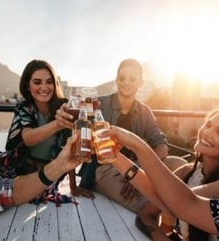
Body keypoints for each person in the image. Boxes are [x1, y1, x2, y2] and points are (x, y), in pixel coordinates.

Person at [0, 59, 93, 241]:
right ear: (28, 84)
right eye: (37, 82)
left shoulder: (65, 108)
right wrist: (56, 124)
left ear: (55, 83)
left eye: (49, 81)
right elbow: (27, 138)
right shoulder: (24, 107)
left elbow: (70, 149)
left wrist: (73, 185)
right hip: (11, 166)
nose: (44, 87)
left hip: (41, 176)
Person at [100, 105, 219, 241]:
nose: (208, 132)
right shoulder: (188, 171)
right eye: (208, 125)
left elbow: (176, 204)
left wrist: (136, 145)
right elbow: (147, 213)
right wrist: (113, 156)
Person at [79, 58, 186, 212]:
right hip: (104, 169)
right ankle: (173, 211)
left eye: (132, 78)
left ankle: (171, 203)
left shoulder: (144, 112)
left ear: (140, 83)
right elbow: (79, 132)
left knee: (179, 164)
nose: (126, 82)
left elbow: (161, 145)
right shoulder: (99, 105)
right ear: (117, 80)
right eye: (122, 78)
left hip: (136, 165)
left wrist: (141, 173)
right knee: (140, 201)